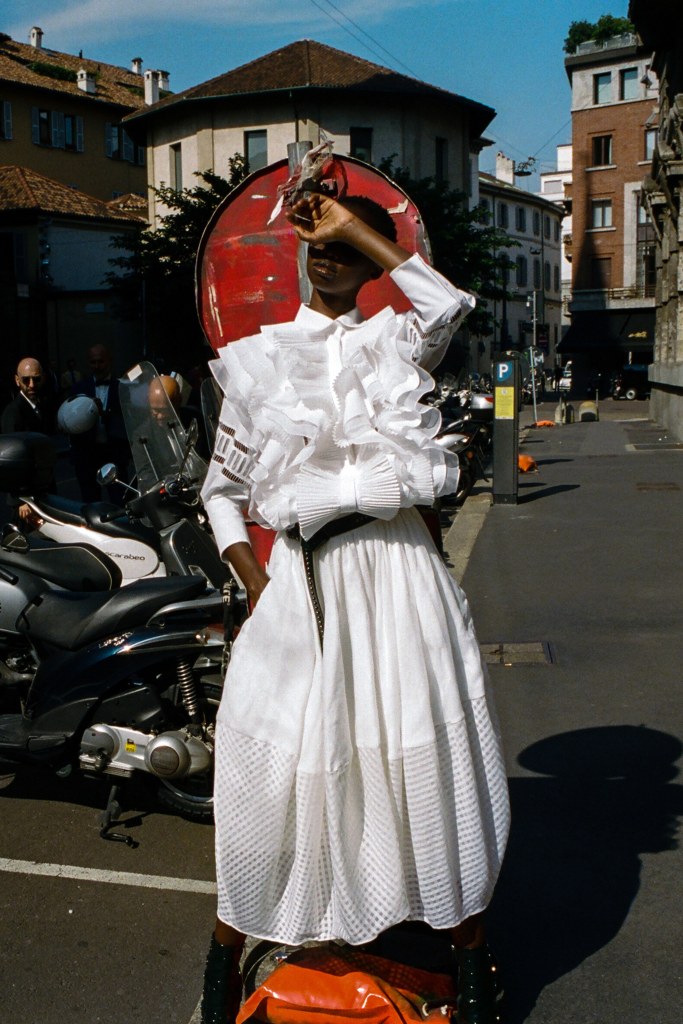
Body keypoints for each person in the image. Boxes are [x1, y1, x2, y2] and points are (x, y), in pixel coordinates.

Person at [199, 191, 510, 1024]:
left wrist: (362, 233)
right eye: (318, 239)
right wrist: (255, 581)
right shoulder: (258, 360)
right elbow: (220, 492)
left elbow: (446, 304)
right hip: (303, 586)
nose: (328, 252)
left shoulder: (396, 342)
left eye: (347, 244)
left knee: (420, 765)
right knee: (273, 774)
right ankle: (223, 966)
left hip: (401, 578)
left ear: (372, 258)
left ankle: (468, 968)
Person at [69, 344, 130, 502]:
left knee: (119, 500)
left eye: (100, 361)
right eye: (93, 362)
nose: (97, 366)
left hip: (114, 453)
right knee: (90, 501)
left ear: (109, 361)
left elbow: (129, 419)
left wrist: (106, 413)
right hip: (88, 454)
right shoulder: (79, 388)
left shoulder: (122, 388)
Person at [1, 357, 54, 434]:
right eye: (26, 380)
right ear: (17, 380)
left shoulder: (46, 406)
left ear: (43, 378)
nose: (31, 385)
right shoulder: (12, 413)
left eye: (37, 379)